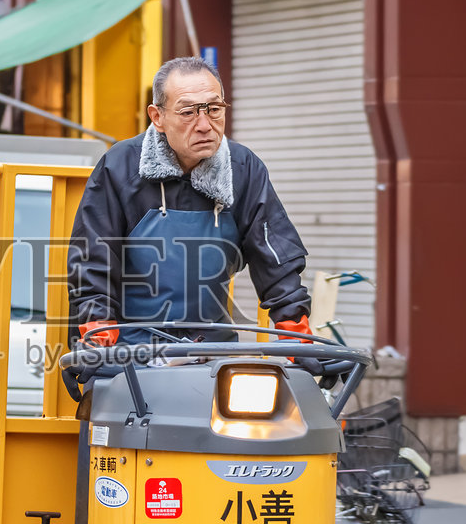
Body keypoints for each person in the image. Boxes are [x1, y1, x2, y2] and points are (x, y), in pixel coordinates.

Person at [68, 56, 313, 347]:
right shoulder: (119, 167)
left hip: (212, 352)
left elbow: (275, 260)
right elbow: (92, 266)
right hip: (130, 354)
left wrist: (298, 338)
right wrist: (99, 343)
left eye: (214, 109)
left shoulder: (244, 169)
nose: (204, 125)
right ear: (157, 117)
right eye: (188, 112)